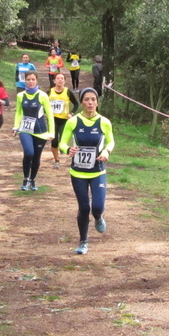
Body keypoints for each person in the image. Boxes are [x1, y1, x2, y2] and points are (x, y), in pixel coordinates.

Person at [59, 88, 115, 255]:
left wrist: (106, 152)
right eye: (86, 99)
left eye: (93, 99)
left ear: (97, 102)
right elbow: (62, 143)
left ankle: (98, 217)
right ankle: (83, 241)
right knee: (84, 207)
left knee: (97, 207)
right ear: (82, 102)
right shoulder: (73, 122)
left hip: (98, 171)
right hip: (78, 173)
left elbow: (111, 142)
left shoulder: (104, 122)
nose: (90, 103)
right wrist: (68, 149)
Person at [13, 71, 55, 191]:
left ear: (36, 81)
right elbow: (19, 112)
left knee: (36, 156)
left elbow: (50, 115)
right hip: (25, 129)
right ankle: (26, 178)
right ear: (25, 81)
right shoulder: (20, 95)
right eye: (28, 79)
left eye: (32, 79)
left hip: (40, 131)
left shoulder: (43, 96)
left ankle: (32, 179)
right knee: (29, 152)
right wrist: (16, 127)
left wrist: (51, 132)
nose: (30, 82)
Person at [48, 73, 79, 168]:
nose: (60, 80)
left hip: (64, 120)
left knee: (62, 140)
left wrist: (71, 113)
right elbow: (42, 103)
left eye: (62, 78)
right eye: (58, 78)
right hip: (53, 120)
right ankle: (57, 160)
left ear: (65, 81)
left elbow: (76, 104)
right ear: (54, 80)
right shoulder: (49, 92)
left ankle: (62, 148)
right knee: (54, 141)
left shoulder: (68, 92)